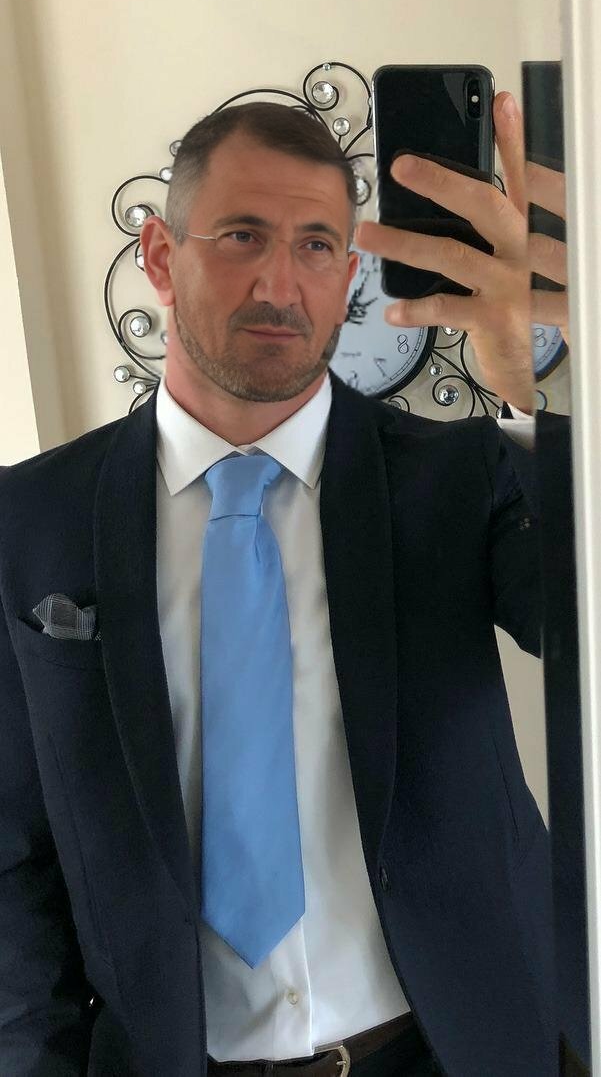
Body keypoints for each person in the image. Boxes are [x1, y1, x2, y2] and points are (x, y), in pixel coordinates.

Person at [0, 94, 569, 1077]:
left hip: (455, 1049)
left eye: (315, 246)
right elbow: (10, 857)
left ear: (348, 280)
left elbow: (583, 626)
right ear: (160, 256)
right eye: (241, 235)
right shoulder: (27, 519)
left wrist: (548, 385)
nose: (279, 282)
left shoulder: (459, 479)